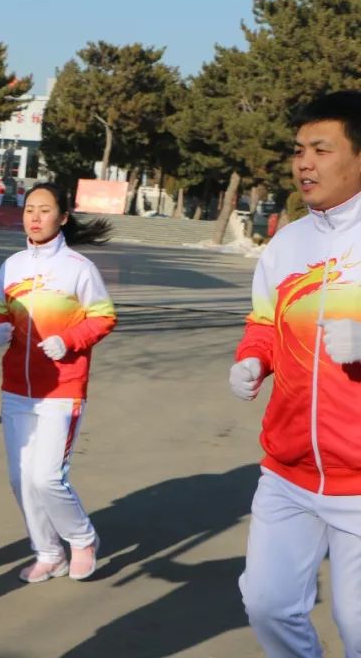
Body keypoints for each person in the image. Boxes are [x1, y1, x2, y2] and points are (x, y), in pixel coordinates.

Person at [231, 90, 361, 657]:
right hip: (287, 469)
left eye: (321, 149)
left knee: (357, 628)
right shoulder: (286, 244)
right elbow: (264, 320)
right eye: (298, 150)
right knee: (267, 605)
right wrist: (253, 356)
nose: (304, 162)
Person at [0, 181, 116, 583]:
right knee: (20, 478)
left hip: (62, 389)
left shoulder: (79, 269)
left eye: (45, 210)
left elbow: (103, 316)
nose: (35, 217)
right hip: (16, 388)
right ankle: (48, 552)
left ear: (62, 217)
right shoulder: (11, 266)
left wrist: (70, 340)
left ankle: (81, 539)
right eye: (30, 209)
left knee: (47, 477)